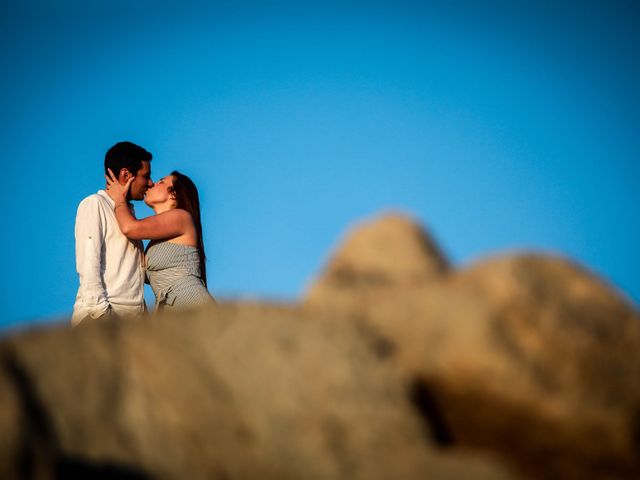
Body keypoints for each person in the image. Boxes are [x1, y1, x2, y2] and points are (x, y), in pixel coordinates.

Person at [105, 168, 215, 311]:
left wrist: (119, 197)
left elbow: (130, 228)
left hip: (190, 301)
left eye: (161, 182)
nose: (151, 184)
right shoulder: (158, 240)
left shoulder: (181, 217)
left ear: (173, 194)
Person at [72, 141, 154, 325]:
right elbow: (88, 267)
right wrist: (104, 317)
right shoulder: (95, 204)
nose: (151, 183)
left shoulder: (126, 213)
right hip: (100, 321)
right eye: (146, 176)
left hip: (130, 327)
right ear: (126, 174)